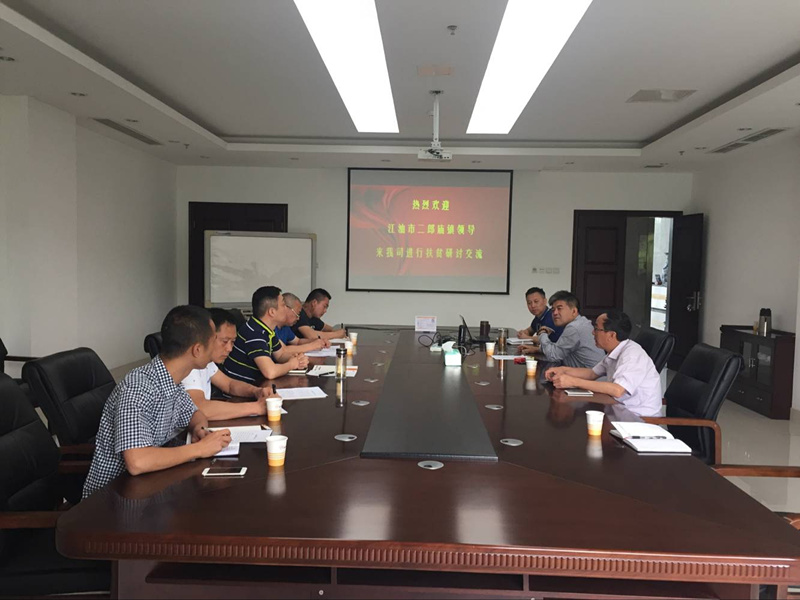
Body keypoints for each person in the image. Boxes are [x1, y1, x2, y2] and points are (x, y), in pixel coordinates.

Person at [82, 306, 232, 498]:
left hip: (151, 487)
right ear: (197, 349)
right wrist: (199, 449)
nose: (223, 347)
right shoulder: (138, 387)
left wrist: (199, 430)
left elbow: (196, 414)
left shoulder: (171, 380)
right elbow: (137, 461)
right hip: (112, 499)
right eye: (214, 341)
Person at [545, 310, 662, 417]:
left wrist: (573, 381)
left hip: (637, 419)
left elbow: (617, 390)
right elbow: (592, 373)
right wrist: (563, 370)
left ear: (611, 335)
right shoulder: (615, 351)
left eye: (596, 329)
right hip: (617, 410)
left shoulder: (632, 355)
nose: (592, 333)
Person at [181, 308, 280, 418]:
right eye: (224, 341)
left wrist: (256, 391)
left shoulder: (207, 362)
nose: (229, 348)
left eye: (232, 342)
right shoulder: (191, 363)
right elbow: (200, 408)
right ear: (208, 337)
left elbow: (229, 384)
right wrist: (257, 407)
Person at [223, 286, 309, 382]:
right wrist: (292, 364)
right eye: (283, 305)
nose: (286, 309)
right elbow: (270, 372)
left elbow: (280, 355)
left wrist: (297, 359)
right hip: (242, 388)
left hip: (257, 385)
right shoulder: (254, 333)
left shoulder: (267, 329)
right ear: (272, 312)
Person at [520, 291, 605, 368]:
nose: (555, 313)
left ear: (574, 311)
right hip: (586, 374)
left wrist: (542, 333)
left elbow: (553, 355)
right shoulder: (579, 322)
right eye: (553, 309)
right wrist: (538, 350)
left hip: (591, 378)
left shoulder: (574, 328)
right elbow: (561, 350)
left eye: (559, 308)